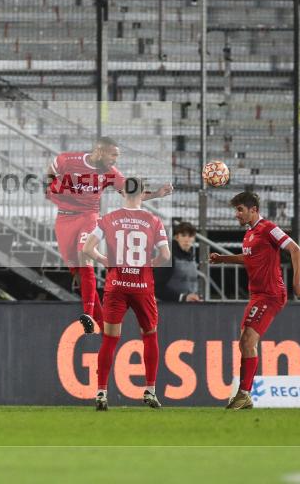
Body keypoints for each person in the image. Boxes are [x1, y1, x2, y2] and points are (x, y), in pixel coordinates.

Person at [46, 136, 172, 334]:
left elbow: (130, 193)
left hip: (89, 216)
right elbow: (51, 171)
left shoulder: (110, 173)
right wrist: (52, 188)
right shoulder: (68, 160)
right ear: (100, 151)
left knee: (84, 256)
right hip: (64, 220)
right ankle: (99, 322)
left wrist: (157, 193)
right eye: (113, 155)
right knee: (77, 271)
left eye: (117, 156)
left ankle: (87, 313)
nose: (115, 159)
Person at [210, 191, 300, 410]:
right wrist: (224, 259)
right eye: (236, 210)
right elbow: (249, 258)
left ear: (254, 210)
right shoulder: (249, 234)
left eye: (240, 209)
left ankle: (244, 394)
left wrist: (296, 283)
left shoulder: (268, 228)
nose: (237, 214)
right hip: (257, 295)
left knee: (247, 341)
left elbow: (296, 251)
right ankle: (244, 395)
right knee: (245, 342)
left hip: (271, 295)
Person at [82, 178, 170, 411]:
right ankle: (150, 391)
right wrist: (147, 264)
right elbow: (165, 256)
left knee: (110, 339)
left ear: (122, 193)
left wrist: (105, 260)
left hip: (116, 285)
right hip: (142, 287)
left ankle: (101, 392)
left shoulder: (108, 219)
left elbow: (87, 249)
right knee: (150, 336)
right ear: (143, 193)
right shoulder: (153, 221)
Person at [154, 222, 203, 303]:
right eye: (183, 235)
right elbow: (156, 287)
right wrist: (182, 297)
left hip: (189, 308)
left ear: (194, 238)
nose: (187, 239)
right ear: (176, 237)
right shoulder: (168, 257)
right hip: (169, 308)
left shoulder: (192, 258)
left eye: (190, 236)